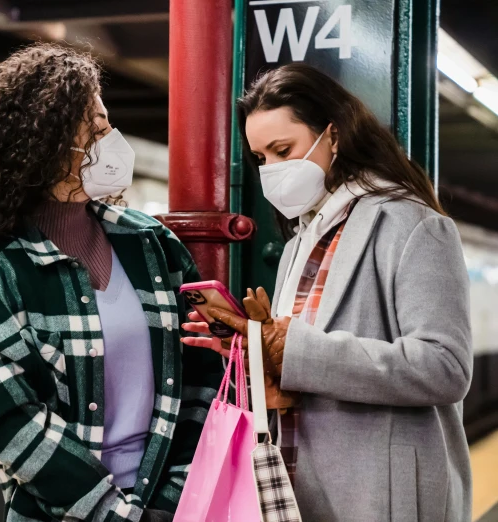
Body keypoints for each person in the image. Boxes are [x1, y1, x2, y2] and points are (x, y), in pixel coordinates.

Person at [0, 43, 222, 522]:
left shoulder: (151, 245)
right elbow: (15, 426)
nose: (110, 139)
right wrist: (114, 516)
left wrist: (170, 501)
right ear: (42, 146)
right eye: (93, 130)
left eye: (106, 123)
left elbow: (204, 375)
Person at [182, 64, 473, 522]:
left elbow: (445, 367)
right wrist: (254, 358)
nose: (273, 171)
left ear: (333, 136)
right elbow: (302, 366)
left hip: (378, 493)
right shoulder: (299, 240)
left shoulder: (413, 225)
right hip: (299, 484)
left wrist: (288, 348)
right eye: (262, 159)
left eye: (284, 150)